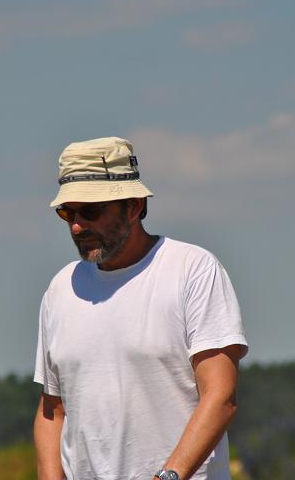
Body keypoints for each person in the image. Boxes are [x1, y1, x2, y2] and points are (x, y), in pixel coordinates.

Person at [33, 137, 248, 480]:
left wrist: (169, 476)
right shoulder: (60, 289)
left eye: (90, 211)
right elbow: (52, 409)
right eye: (67, 213)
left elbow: (220, 395)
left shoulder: (192, 270)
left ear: (133, 206)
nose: (76, 226)